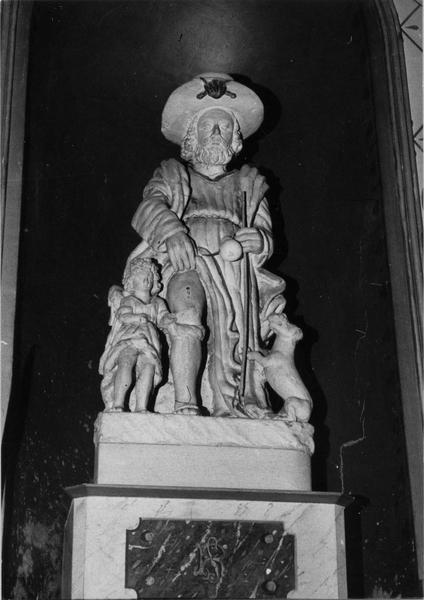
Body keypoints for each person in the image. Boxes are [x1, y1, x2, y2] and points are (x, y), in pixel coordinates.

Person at [126, 73, 286, 417]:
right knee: (186, 313)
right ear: (191, 134)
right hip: (187, 260)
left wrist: (258, 240)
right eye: (207, 126)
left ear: (235, 138)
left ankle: (232, 404)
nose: (216, 133)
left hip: (234, 275)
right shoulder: (173, 175)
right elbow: (148, 207)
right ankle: (185, 404)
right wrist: (172, 232)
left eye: (224, 127)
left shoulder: (249, 184)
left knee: (233, 342)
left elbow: (265, 235)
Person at [99, 256, 168, 412]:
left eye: (150, 276)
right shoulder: (129, 300)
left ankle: (142, 407)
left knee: (149, 368)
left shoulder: (158, 303)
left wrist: (168, 320)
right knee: (126, 363)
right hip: (129, 338)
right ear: (131, 281)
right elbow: (122, 316)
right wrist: (137, 318)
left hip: (150, 342)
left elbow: (163, 318)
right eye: (142, 276)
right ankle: (118, 403)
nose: (147, 279)